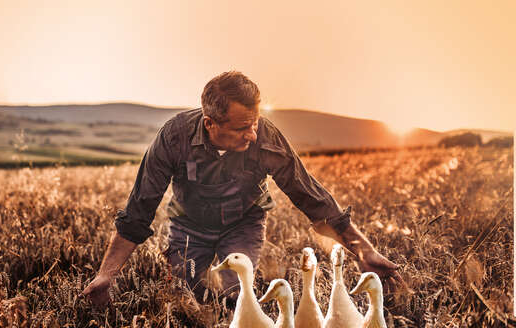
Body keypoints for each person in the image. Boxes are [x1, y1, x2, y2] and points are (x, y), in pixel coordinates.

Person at [80, 71, 403, 307]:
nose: (252, 134)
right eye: (241, 128)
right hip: (188, 228)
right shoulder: (173, 137)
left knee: (235, 296)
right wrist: (107, 274)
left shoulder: (266, 137)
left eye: (255, 123)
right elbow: (139, 210)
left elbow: (311, 197)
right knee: (187, 303)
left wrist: (364, 251)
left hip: (243, 225)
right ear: (210, 123)